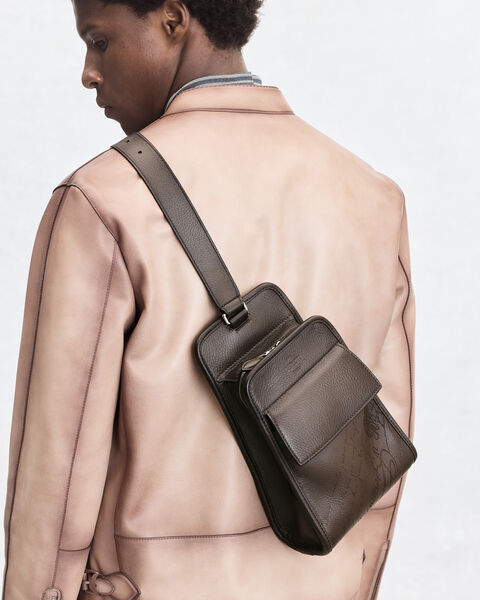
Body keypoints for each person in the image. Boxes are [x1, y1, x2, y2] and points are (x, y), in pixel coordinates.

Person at [1, 1, 416, 599]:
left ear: (173, 20)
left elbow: (56, 486)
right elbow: (382, 451)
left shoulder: (102, 202)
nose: (88, 72)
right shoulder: (375, 198)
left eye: (100, 40)